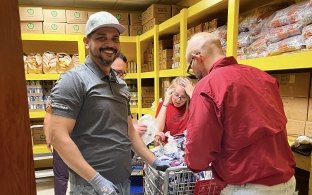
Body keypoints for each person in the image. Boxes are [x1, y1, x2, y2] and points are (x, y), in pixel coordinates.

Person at [45, 11, 169, 195]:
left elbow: (128, 131)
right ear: (87, 42)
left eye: (115, 38)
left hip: (122, 181)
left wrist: (153, 160)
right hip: (90, 187)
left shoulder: (121, 85)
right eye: (101, 37)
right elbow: (58, 137)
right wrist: (96, 180)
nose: (110, 44)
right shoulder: (73, 80)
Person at [184, 32, 296, 194]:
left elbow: (199, 151)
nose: (193, 71)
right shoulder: (263, 77)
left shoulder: (207, 86)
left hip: (248, 187)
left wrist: (192, 163)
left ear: (197, 57)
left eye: (190, 66)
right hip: (286, 182)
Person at [111, 52, 147, 136]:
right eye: (116, 72)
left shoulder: (122, 92)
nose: (120, 77)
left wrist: (135, 128)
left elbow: (129, 118)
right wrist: (128, 130)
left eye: (122, 74)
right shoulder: (95, 94)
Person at [154, 76, 194, 145]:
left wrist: (192, 95)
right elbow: (157, 129)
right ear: (170, 92)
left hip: (185, 147)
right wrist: (165, 103)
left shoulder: (192, 106)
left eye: (183, 97)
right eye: (176, 95)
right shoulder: (163, 105)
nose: (178, 100)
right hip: (167, 148)